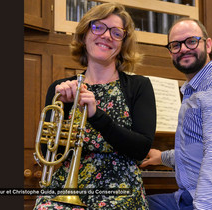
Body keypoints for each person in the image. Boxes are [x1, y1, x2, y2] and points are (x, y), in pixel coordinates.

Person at [33, 2, 156, 209]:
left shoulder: (139, 86)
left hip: (120, 187)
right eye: (98, 27)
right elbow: (47, 155)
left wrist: (96, 115)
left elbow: (141, 149)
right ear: (84, 35)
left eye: (117, 33)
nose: (107, 36)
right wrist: (63, 109)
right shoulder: (61, 89)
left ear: (123, 43)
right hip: (65, 185)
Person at [140, 17, 212, 210]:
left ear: (207, 45)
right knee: (131, 202)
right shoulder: (194, 89)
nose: (183, 49)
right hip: (187, 196)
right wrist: (162, 157)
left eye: (191, 41)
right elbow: (196, 151)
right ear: (170, 53)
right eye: (175, 45)